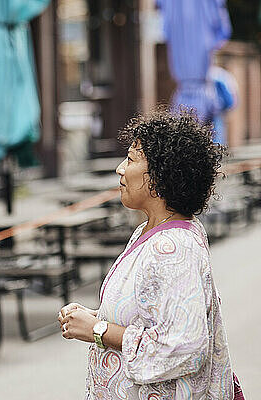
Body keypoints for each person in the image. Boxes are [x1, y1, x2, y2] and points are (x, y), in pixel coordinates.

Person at [58, 110, 235, 399]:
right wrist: (94, 316)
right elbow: (151, 312)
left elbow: (183, 347)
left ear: (161, 175)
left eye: (130, 159)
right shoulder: (149, 231)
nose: (120, 169)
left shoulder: (175, 248)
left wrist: (99, 330)